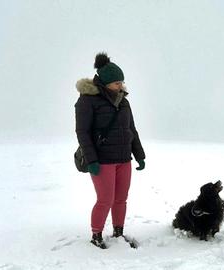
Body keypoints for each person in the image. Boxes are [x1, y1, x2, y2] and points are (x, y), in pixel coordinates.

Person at [75, 52, 146, 249]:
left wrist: (139, 155)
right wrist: (91, 160)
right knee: (105, 199)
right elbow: (82, 132)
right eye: (117, 83)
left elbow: (131, 129)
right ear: (105, 83)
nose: (121, 86)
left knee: (121, 199)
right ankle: (96, 235)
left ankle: (118, 232)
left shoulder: (123, 102)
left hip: (124, 159)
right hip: (102, 160)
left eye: (122, 82)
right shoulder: (87, 101)